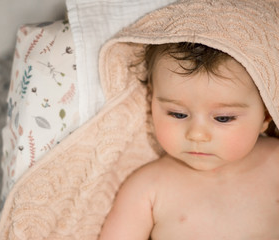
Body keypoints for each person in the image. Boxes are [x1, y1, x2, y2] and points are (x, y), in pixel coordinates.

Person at [99, 42, 279, 239]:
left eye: (223, 118)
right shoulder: (148, 187)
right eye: (177, 114)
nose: (197, 135)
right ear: (151, 100)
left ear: (266, 114)